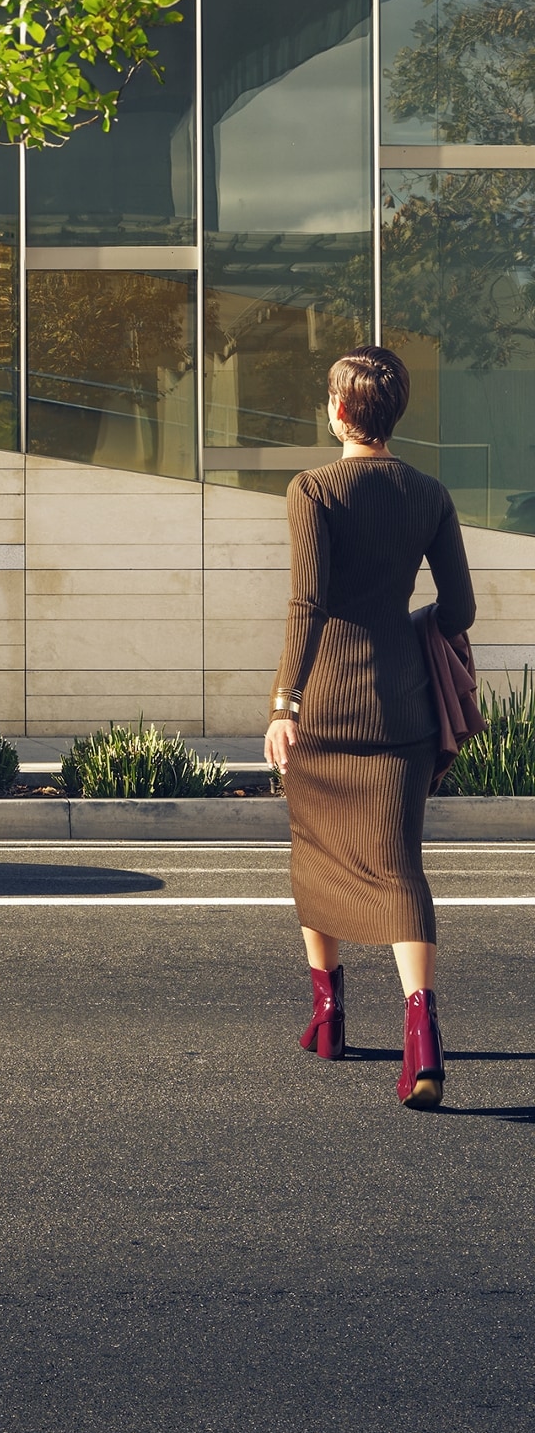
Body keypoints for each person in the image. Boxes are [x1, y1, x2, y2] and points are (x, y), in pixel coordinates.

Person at [263, 346, 476, 1109]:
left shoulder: (313, 489)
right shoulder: (430, 494)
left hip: (325, 706)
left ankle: (329, 1017)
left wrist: (284, 704)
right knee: (400, 867)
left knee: (315, 854)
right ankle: (423, 1040)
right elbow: (459, 610)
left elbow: (308, 604)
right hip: (402, 708)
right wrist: (408, 622)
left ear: (341, 410)